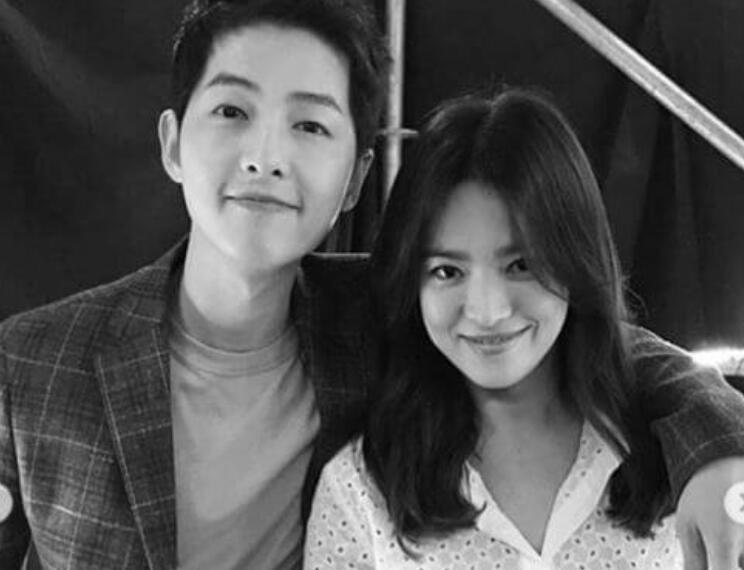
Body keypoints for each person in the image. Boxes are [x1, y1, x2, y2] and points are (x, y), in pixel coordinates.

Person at [0, 0, 742, 567]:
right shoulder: (32, 365)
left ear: (355, 179)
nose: (265, 156)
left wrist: (720, 453)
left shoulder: (382, 309)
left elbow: (609, 346)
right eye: (231, 111)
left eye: (310, 126)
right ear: (171, 143)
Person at [303, 88, 744, 569]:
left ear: (575, 258)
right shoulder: (360, 490)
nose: (488, 311)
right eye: (447, 272)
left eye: (521, 265)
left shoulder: (685, 460)